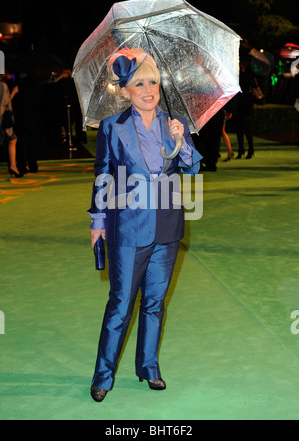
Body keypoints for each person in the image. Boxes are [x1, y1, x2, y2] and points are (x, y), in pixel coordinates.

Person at [88, 47, 202, 402]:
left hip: (167, 228)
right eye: (139, 84)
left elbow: (193, 168)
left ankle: (148, 367)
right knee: (120, 305)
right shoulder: (111, 127)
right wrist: (97, 222)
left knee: (155, 302)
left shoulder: (173, 123)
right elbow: (103, 175)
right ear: (125, 91)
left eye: (153, 81)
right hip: (128, 229)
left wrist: (181, 140)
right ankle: (103, 375)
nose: (148, 89)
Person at [0, 79, 23, 177]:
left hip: (3, 118)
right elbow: (4, 102)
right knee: (12, 139)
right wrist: (14, 92)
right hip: (2, 118)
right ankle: (13, 166)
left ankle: (13, 166)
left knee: (12, 139)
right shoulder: (2, 85)